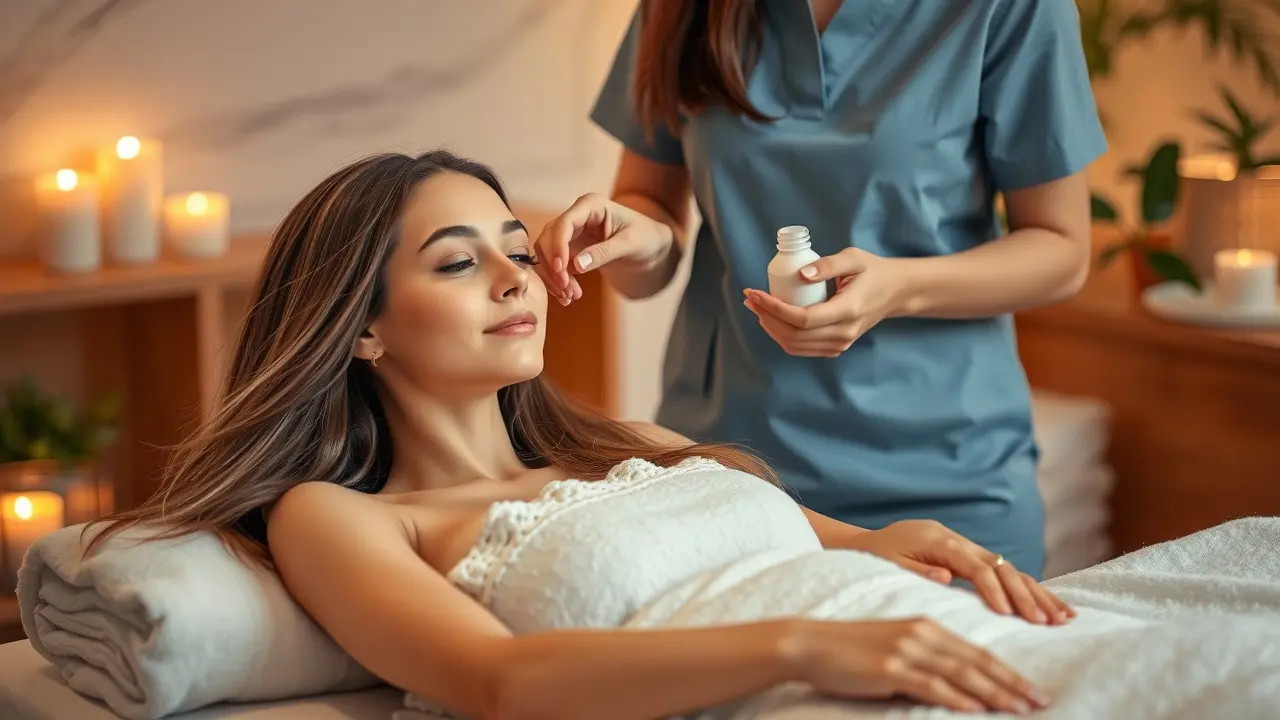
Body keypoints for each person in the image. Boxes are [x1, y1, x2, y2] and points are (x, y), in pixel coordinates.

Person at [84, 151, 1280, 720]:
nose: (512, 274)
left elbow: (833, 541)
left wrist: (899, 539)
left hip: (919, 633)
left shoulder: (629, 442)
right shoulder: (336, 517)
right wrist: (807, 648)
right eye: (458, 262)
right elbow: (497, 685)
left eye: (515, 245)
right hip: (825, 688)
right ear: (359, 331)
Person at [533, 0, 1106, 579]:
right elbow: (651, 206)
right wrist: (642, 240)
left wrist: (899, 288)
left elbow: (1061, 249)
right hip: (728, 474)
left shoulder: (1011, 9)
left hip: (945, 476)